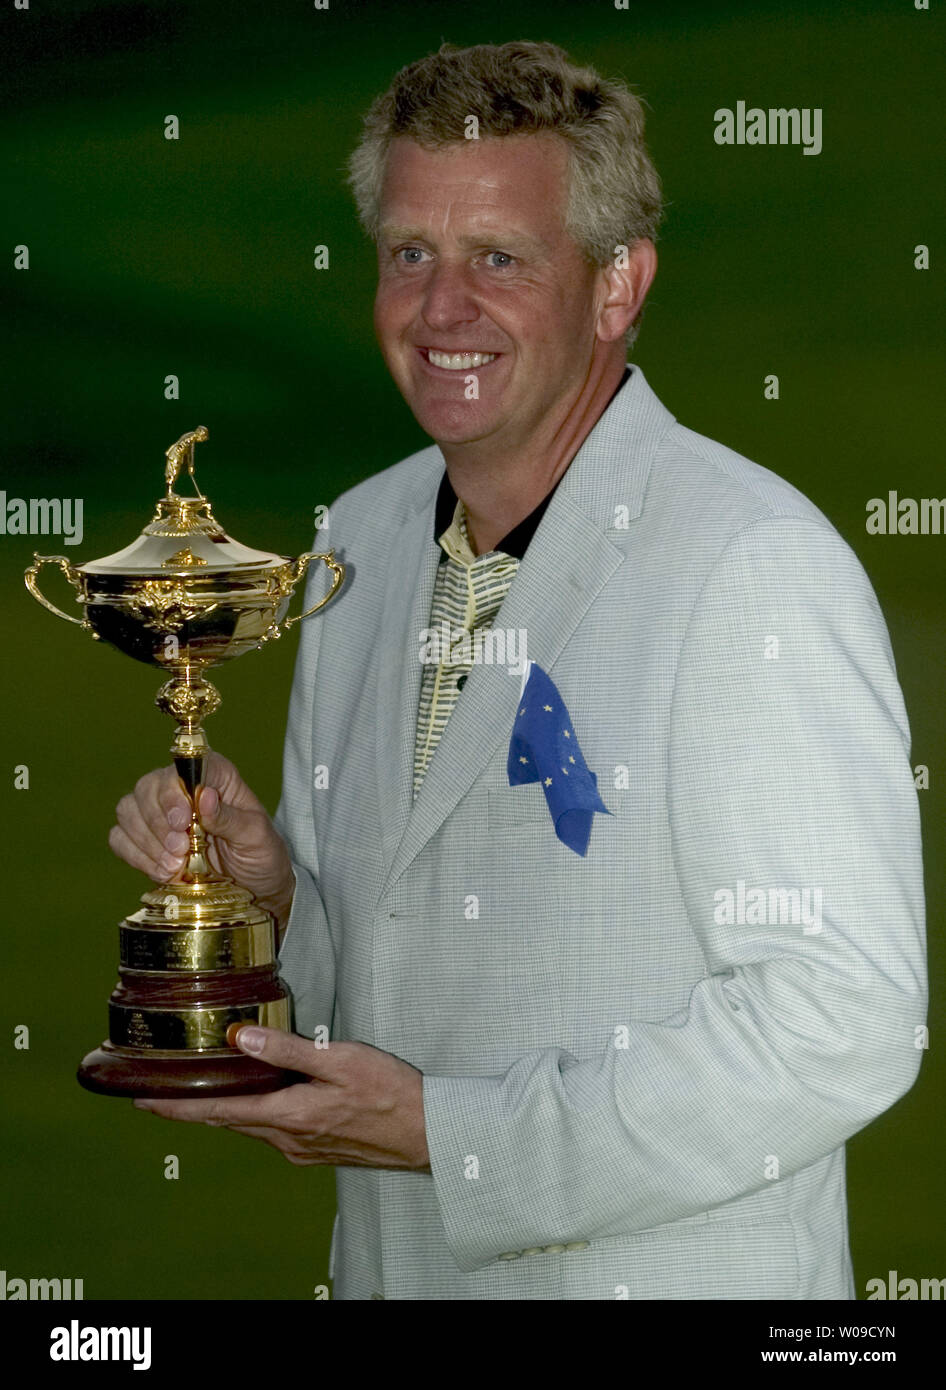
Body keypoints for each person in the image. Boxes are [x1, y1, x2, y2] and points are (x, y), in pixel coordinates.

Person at [111, 41, 926, 1300]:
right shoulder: (360, 542)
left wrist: (457, 1138)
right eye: (410, 253)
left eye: (500, 258)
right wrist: (273, 898)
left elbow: (843, 1021)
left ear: (615, 287)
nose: (444, 310)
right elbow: (389, 986)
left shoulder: (750, 563)